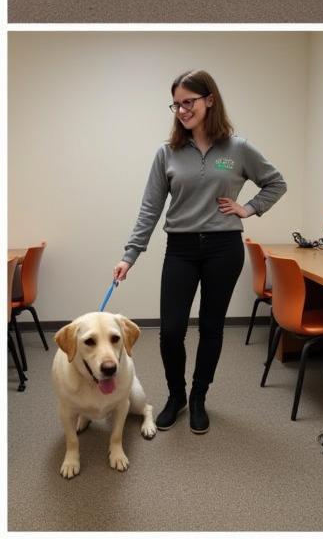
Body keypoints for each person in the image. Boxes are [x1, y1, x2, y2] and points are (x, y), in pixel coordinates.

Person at [113, 70, 285, 434]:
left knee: (211, 327)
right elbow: (150, 208)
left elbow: (276, 182)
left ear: (209, 100)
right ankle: (176, 396)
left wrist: (248, 208)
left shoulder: (237, 148)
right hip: (181, 249)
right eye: (176, 104)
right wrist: (129, 255)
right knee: (171, 331)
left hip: (224, 248)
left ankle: (198, 398)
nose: (181, 110)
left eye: (188, 101)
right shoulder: (168, 152)